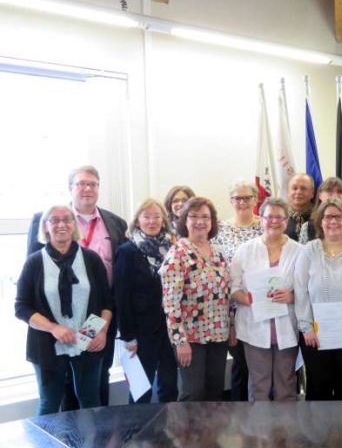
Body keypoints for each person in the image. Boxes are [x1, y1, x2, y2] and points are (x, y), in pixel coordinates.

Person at [28, 165, 127, 408]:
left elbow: (111, 289)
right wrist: (52, 327)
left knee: (93, 381)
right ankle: (66, 442)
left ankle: (97, 442)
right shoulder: (45, 220)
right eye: (81, 183)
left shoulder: (115, 223)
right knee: (58, 393)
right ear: (70, 188)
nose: (87, 189)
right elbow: (31, 288)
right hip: (54, 325)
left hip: (96, 317)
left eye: (93, 184)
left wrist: (100, 329)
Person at [16, 206, 112, 415]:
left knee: (90, 400)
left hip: (87, 335)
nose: (61, 224)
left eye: (67, 219)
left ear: (74, 225)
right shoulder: (34, 262)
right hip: (48, 342)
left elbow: (106, 301)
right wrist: (53, 328)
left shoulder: (91, 259)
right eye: (54, 220)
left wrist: (101, 331)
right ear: (45, 227)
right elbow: (21, 307)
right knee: (49, 403)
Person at [294, 198, 342, 400]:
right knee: (318, 390)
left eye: (338, 216)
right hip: (315, 338)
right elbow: (300, 292)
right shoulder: (308, 250)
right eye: (328, 217)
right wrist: (307, 328)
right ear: (320, 222)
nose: (333, 221)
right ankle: (318, 432)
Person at [160, 197, 235, 401]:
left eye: (205, 217)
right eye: (194, 216)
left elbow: (226, 294)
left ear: (212, 222)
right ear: (184, 220)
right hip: (191, 338)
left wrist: (232, 326)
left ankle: (211, 434)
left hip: (219, 334)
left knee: (215, 391)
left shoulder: (218, 252)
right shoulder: (178, 253)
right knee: (193, 394)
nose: (200, 221)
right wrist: (180, 342)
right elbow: (170, 303)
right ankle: (188, 434)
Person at [230, 197, 302, 401]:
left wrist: (292, 296)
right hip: (254, 327)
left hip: (288, 326)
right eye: (269, 216)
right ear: (260, 219)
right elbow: (233, 287)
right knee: (259, 385)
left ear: (286, 221)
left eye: (279, 217)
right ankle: (259, 432)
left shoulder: (300, 251)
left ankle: (285, 432)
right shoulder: (245, 250)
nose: (274, 221)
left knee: (285, 385)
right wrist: (249, 298)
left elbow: (308, 289)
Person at [114, 199, 178, 404]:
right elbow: (122, 297)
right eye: (146, 216)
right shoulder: (127, 251)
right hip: (141, 332)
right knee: (141, 390)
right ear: (137, 221)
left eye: (156, 216)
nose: (152, 221)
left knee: (169, 386)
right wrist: (128, 337)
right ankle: (137, 434)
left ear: (164, 220)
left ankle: (167, 433)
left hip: (169, 328)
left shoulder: (173, 248)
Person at [213, 181, 263, 402]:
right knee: (241, 364)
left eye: (247, 197)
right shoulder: (220, 230)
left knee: (263, 365)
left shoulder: (266, 225)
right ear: (231, 201)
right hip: (233, 307)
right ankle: (241, 419)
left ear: (255, 199)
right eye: (237, 198)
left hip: (265, 305)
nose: (242, 202)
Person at [298, 177, 342, 245]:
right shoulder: (307, 227)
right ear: (320, 195)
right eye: (329, 191)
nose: (335, 196)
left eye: (340, 192)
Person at [285, 174, 315, 241]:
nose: (298, 192)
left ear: (312, 193)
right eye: (294, 188)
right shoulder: (280, 218)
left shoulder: (320, 218)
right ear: (288, 192)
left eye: (303, 188)